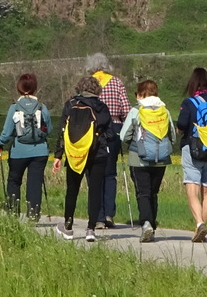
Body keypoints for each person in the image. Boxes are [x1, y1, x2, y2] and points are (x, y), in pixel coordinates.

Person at [51, 76, 113, 242]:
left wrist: (58, 155)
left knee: (72, 189)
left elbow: (62, 131)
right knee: (95, 190)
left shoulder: (70, 104)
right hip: (97, 153)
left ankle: (68, 227)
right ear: (97, 89)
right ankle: (91, 229)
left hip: (74, 154)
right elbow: (110, 133)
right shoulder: (101, 107)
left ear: (79, 88)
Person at [116, 79, 175, 242]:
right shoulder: (165, 111)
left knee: (143, 192)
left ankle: (146, 223)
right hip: (161, 160)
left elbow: (124, 136)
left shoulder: (136, 111)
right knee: (153, 193)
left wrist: (135, 144)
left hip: (138, 159)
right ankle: (152, 226)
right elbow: (173, 136)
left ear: (140, 94)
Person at [0, 73, 52, 221]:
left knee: (14, 180)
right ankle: (34, 214)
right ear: (34, 87)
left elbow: (7, 132)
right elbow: (49, 129)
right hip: (40, 151)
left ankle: (13, 212)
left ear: (19, 87)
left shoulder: (14, 108)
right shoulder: (42, 107)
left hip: (19, 151)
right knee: (35, 183)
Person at [176, 67, 207, 243]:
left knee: (192, 189)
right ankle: (200, 229)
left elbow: (182, 124)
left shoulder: (189, 103)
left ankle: (199, 224)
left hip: (193, 149)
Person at [86, 53, 130, 228]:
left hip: (92, 130)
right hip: (114, 128)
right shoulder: (117, 82)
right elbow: (126, 109)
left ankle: (98, 216)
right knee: (110, 173)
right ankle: (109, 214)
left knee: (93, 173)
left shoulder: (88, 83)